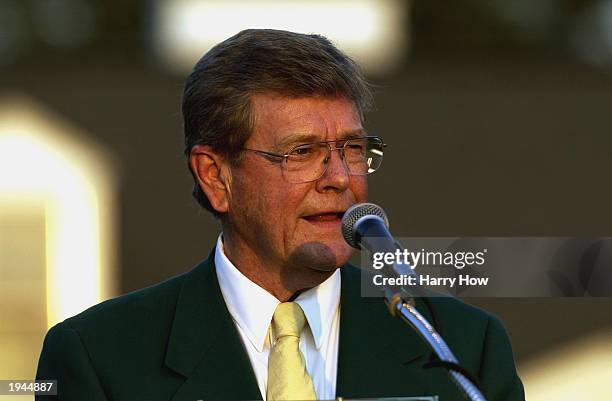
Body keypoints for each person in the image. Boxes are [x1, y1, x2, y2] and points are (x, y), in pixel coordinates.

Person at [36, 29, 525, 401]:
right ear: (215, 176)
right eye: (302, 151)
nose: (339, 178)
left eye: (353, 149)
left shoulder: (462, 346)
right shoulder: (98, 358)